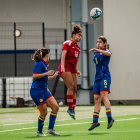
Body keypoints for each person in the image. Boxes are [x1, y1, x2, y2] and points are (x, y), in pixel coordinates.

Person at [30, 48, 60, 136]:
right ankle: (39, 132)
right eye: (49, 54)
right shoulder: (39, 64)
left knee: (55, 107)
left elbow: (45, 78)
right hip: (37, 90)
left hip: (44, 89)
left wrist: (53, 76)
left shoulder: (44, 64)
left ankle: (50, 129)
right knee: (44, 112)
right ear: (47, 55)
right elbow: (34, 76)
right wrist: (47, 73)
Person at [88, 36, 114, 131]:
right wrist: (96, 50)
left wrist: (98, 50)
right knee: (96, 99)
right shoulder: (96, 53)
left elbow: (109, 54)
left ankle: (110, 118)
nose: (98, 44)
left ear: (104, 44)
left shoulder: (106, 51)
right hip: (97, 78)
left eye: (100, 42)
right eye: (97, 42)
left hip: (105, 77)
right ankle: (95, 121)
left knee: (103, 96)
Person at [58, 25, 82, 120]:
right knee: (71, 86)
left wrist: (77, 71)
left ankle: (72, 108)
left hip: (72, 69)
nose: (80, 37)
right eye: (79, 35)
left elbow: (76, 61)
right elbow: (63, 55)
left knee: (75, 88)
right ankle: (70, 108)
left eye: (81, 36)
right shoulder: (67, 43)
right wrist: (62, 66)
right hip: (65, 67)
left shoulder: (78, 48)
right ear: (74, 35)